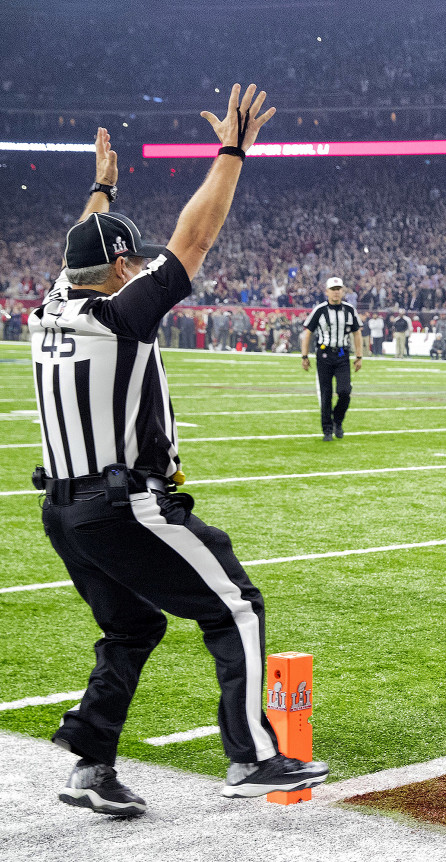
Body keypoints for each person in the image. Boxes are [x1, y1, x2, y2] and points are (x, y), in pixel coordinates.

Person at [28, 95, 326, 817]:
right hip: (120, 504)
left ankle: (91, 764)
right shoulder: (118, 314)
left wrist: (103, 190)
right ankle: (251, 756)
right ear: (124, 263)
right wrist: (231, 155)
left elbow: (83, 245)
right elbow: (193, 241)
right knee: (237, 606)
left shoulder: (51, 305)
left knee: (134, 625)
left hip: (63, 509)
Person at [300, 277, 363, 441]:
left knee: (345, 391)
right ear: (327, 292)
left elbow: (357, 333)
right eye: (333, 289)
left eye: (338, 289)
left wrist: (359, 356)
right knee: (326, 393)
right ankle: (327, 429)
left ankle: (338, 420)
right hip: (324, 355)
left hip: (342, 355)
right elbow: (308, 333)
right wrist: (304, 356)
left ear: (342, 291)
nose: (336, 292)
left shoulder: (349, 310)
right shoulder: (320, 310)